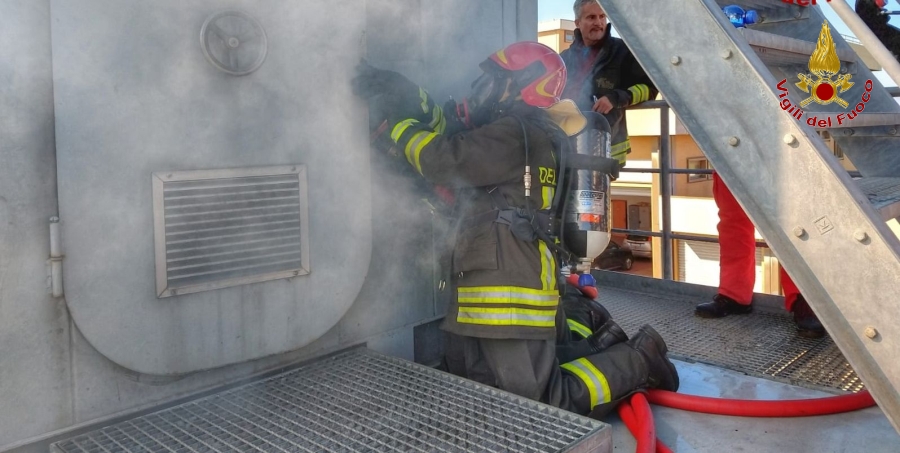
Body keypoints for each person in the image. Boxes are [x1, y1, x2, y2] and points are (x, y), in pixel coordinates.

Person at [352, 41, 679, 418]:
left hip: (507, 293)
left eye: (497, 81)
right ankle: (600, 343)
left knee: (544, 403)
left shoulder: (515, 133)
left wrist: (398, 125)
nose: (485, 89)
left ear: (524, 83)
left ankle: (641, 361)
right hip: (486, 288)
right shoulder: (531, 133)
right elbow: (458, 133)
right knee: (476, 384)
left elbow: (442, 159)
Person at [694, 173, 826, 339]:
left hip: (781, 149)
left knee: (791, 217)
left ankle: (803, 298)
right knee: (732, 219)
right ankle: (734, 295)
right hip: (726, 148)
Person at [559, 0, 657, 167]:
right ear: (578, 23)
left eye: (602, 16)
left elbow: (650, 88)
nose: (598, 22)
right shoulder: (565, 58)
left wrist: (615, 98)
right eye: (591, 17)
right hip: (568, 148)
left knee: (597, 193)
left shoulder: (623, 52)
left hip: (606, 148)